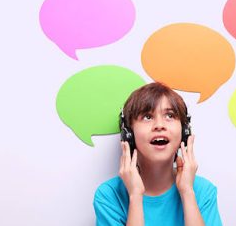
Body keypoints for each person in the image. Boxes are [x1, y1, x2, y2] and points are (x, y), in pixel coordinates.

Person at [93, 82, 222, 225]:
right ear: (128, 135)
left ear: (185, 132)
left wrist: (187, 192)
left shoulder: (203, 191)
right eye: (147, 117)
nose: (160, 125)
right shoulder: (109, 195)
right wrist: (135, 196)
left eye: (170, 115)